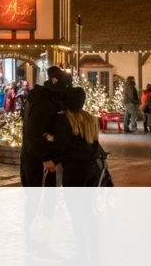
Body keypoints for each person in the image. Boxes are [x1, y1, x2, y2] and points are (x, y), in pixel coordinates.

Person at [21, 67, 72, 261]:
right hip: (39, 164)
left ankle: (34, 243)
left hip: (33, 160)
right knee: (42, 204)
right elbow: (34, 132)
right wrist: (45, 157)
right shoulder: (45, 102)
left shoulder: (40, 98)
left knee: (37, 203)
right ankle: (38, 245)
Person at [48, 90, 102, 263]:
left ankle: (81, 251)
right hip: (91, 170)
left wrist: (51, 156)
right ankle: (94, 252)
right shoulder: (89, 119)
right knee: (88, 210)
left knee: (75, 212)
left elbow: (61, 148)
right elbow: (95, 146)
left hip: (74, 171)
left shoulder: (64, 120)